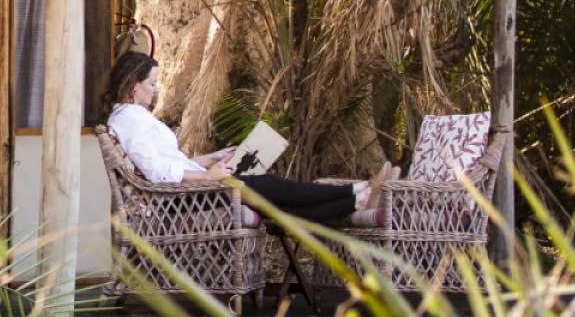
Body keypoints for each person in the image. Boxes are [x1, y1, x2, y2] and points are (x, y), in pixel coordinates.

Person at [100, 51, 388, 226]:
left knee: (276, 202)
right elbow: (158, 172)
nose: (157, 90)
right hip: (183, 198)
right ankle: (357, 192)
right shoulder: (130, 119)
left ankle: (357, 198)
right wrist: (209, 177)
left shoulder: (133, 118)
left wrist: (209, 160)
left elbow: (166, 162)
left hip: (192, 190)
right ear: (132, 84)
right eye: (152, 83)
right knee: (272, 187)